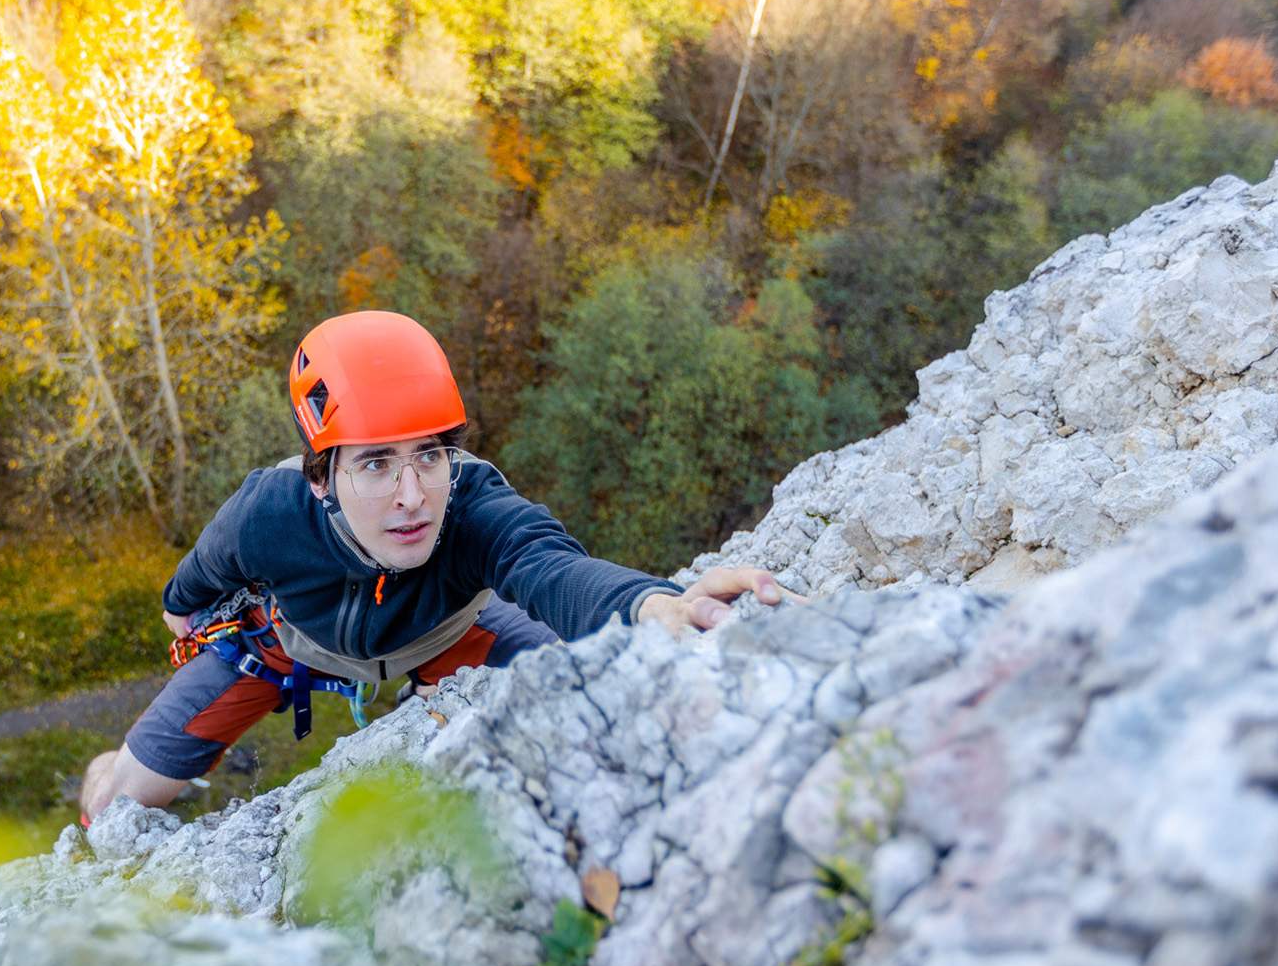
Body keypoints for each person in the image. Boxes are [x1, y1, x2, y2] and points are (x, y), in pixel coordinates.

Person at [79, 310, 792, 815]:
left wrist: (654, 605)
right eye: (378, 464)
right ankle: (104, 768)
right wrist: (189, 626)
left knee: (585, 696)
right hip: (283, 647)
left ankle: (430, 696)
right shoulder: (268, 513)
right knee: (117, 805)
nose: (413, 495)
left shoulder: (471, 505)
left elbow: (548, 567)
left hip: (451, 638)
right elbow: (188, 593)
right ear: (321, 476)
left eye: (429, 454)